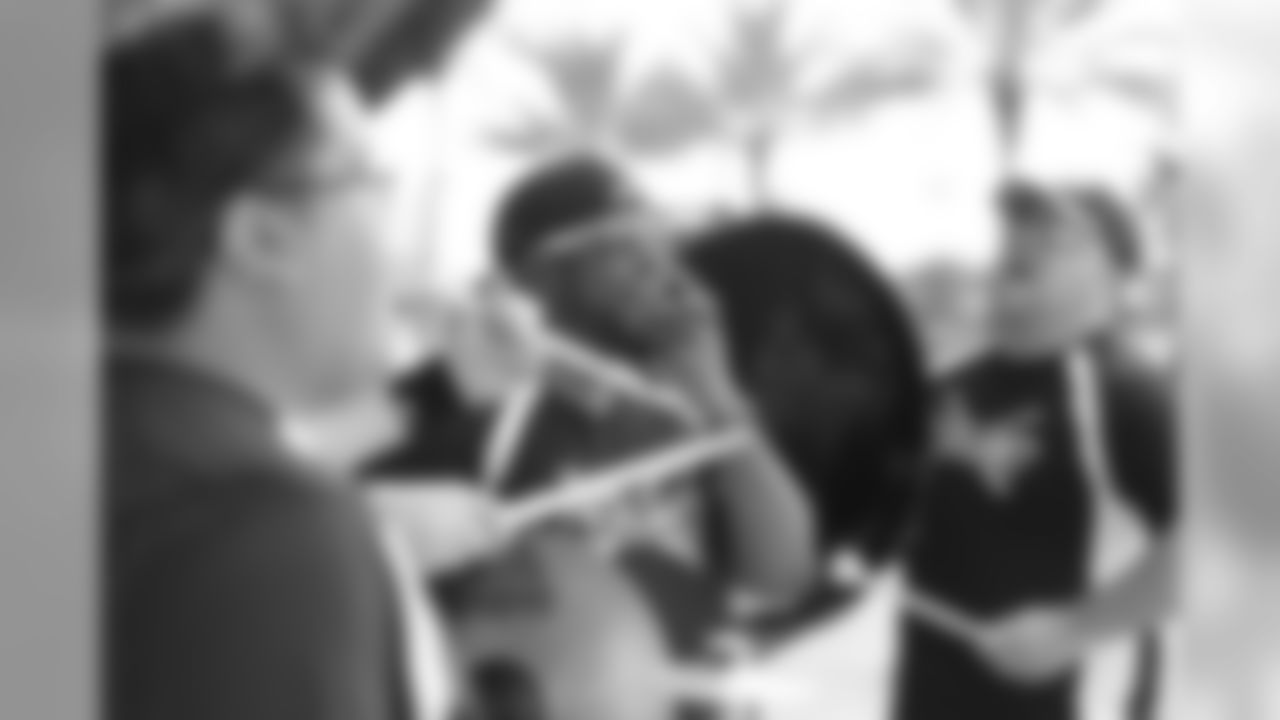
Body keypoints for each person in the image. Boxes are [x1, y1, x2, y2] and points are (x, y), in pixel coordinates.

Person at [105, 10, 493, 720]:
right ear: (263, 237)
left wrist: (447, 387)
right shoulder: (263, 526)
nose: (394, 237)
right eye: (373, 184)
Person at [893, 183, 1179, 720]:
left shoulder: (1127, 394)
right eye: (1016, 227)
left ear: (1115, 276)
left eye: (1057, 234)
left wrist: (1079, 628)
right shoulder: (942, 391)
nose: (1023, 241)